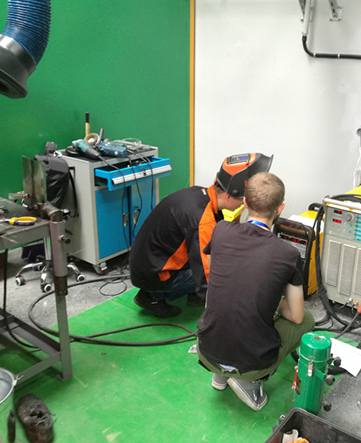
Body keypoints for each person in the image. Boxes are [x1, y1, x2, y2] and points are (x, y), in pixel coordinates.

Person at [197, 172, 315, 411]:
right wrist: (273, 301)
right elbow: (296, 316)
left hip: (206, 350)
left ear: (244, 203)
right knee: (307, 319)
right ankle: (248, 381)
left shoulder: (220, 230)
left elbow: (217, 274)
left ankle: (220, 375)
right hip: (252, 364)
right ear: (280, 208)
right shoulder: (288, 254)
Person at [129, 153, 273, 318]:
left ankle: (191, 295)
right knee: (225, 271)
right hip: (154, 274)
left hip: (148, 262)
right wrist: (218, 308)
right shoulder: (202, 219)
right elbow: (207, 271)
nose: (244, 204)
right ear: (229, 195)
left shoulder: (199, 194)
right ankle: (151, 297)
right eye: (242, 199)